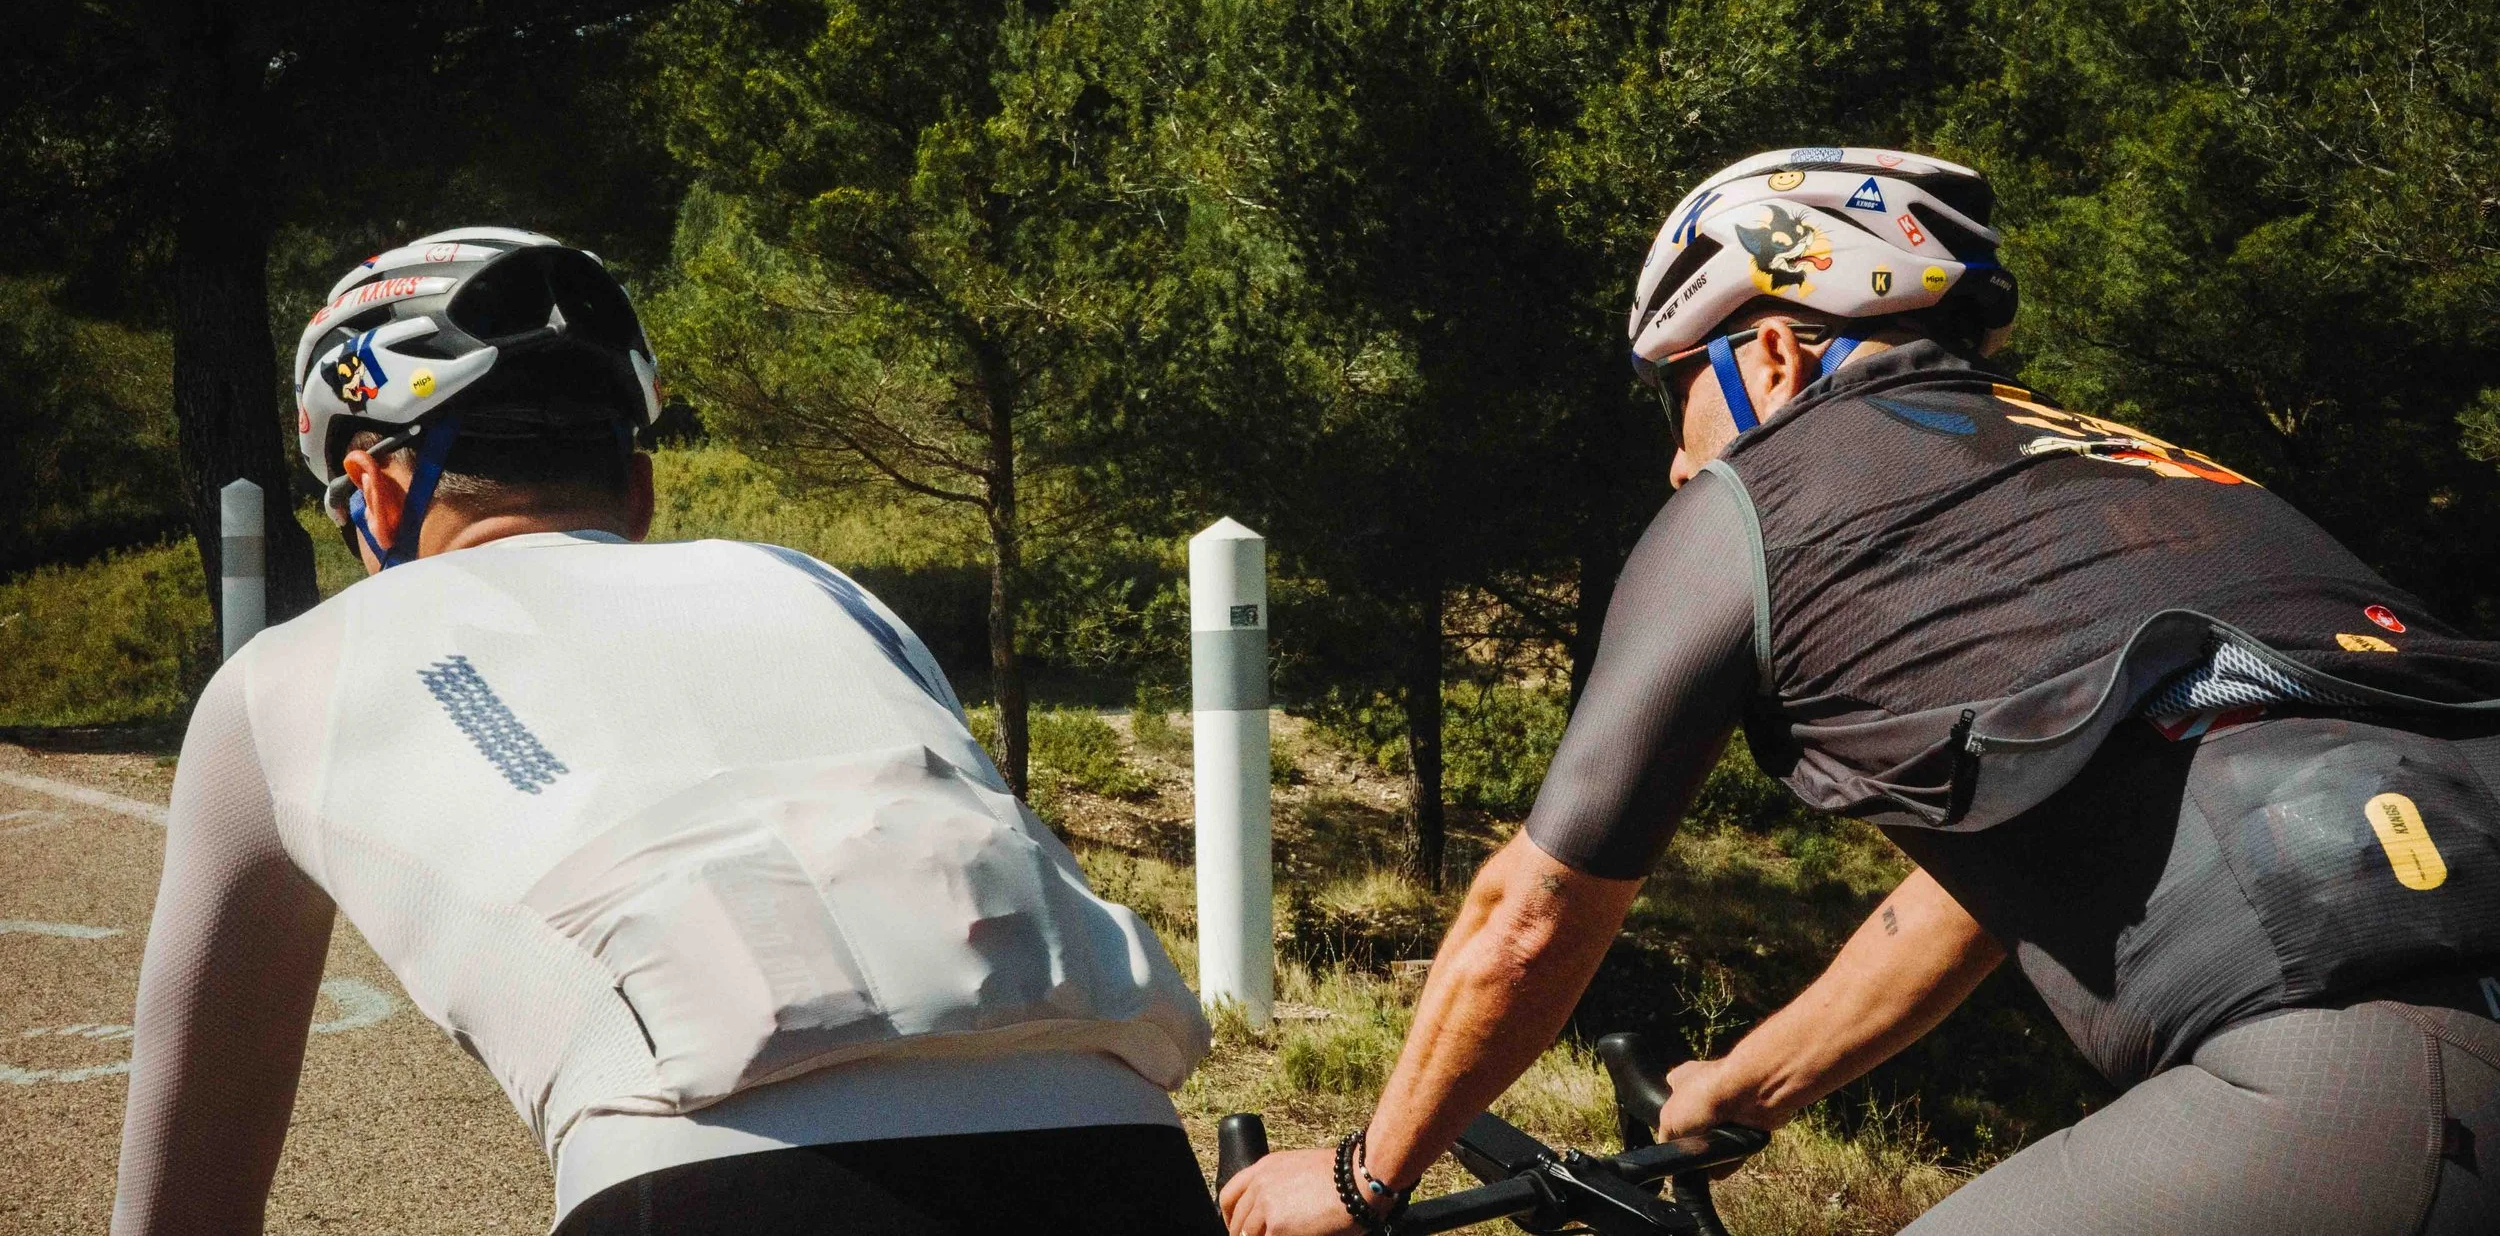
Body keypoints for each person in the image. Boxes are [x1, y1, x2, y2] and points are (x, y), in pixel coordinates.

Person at [1222, 148, 2500, 1235]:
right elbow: (1987, 882)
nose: (1675, 462)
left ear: (1771, 353)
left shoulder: (1763, 494)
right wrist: (1746, 1082)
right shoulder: (2146, 474)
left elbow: (1531, 913)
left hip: (2361, 1063)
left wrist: (1359, 1177)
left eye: (1678, 394)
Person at [111, 228, 1222, 1235]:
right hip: (1122, 1150)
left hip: (707, 1173)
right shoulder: (823, 588)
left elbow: (181, 1205)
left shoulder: (279, 676)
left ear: (376, 496)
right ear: (637, 492)